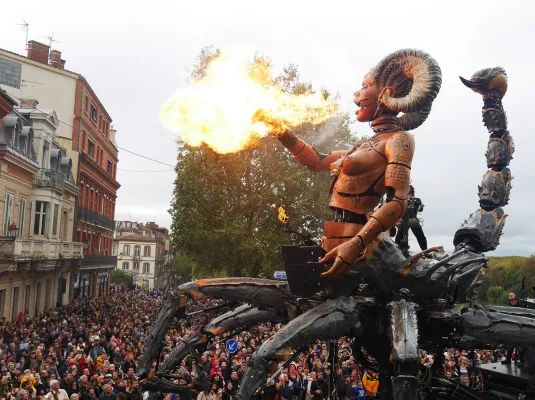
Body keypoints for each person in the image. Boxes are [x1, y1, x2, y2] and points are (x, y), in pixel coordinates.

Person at [393, 185, 428, 253]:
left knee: (420, 237)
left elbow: (420, 209)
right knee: (420, 237)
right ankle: (425, 251)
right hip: (406, 221)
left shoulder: (416, 200)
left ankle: (425, 252)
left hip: (410, 220)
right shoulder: (401, 199)